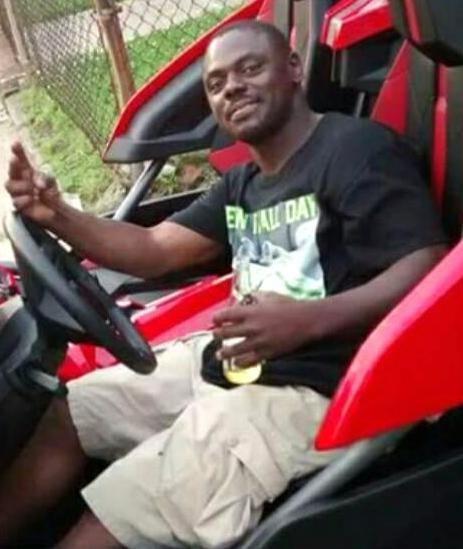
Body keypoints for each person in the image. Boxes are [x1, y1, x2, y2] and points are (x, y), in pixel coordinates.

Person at [0, 19, 447, 549]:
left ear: (293, 69)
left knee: (130, 500)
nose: (231, 87)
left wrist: (306, 321)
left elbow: (426, 264)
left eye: (249, 69)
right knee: (75, 409)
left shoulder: (356, 151)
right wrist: (56, 214)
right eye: (216, 83)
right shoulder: (245, 182)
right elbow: (154, 247)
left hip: (317, 388)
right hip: (234, 363)